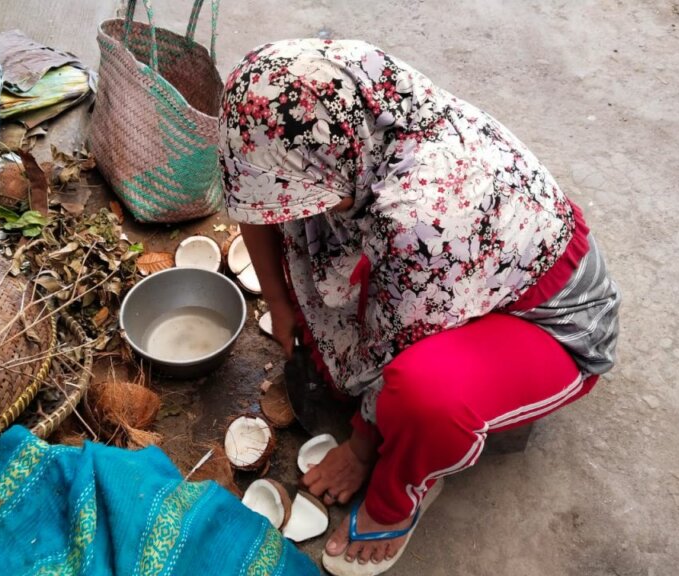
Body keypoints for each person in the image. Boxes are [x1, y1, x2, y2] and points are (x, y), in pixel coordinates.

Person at [218, 39, 621, 576]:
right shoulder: (336, 91)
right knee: (308, 242)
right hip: (464, 266)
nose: (279, 210)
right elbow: (259, 199)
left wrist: (362, 449)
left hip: (551, 319)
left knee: (422, 394)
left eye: (294, 195)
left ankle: (399, 500)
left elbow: (396, 349)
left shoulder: (421, 218)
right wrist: (279, 300)